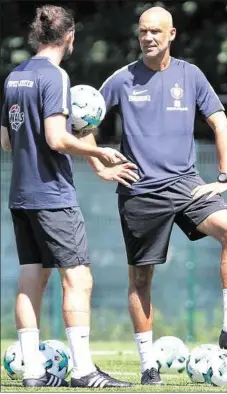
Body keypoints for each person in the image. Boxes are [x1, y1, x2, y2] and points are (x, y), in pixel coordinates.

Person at [97, 6, 227, 385]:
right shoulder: (121, 80)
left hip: (186, 185)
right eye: (142, 32)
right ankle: (147, 365)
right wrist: (100, 165)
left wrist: (225, 176)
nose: (148, 37)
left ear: (172, 35)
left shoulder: (191, 75)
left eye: (156, 31)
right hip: (140, 191)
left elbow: (219, 122)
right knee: (141, 279)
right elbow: (83, 119)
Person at [0, 5, 138, 388]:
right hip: (52, 195)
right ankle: (83, 371)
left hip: (21, 195)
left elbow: (6, 141)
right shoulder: (55, 76)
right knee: (78, 279)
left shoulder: (15, 76)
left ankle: (32, 373)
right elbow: (57, 139)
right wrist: (99, 151)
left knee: (31, 279)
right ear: (69, 37)